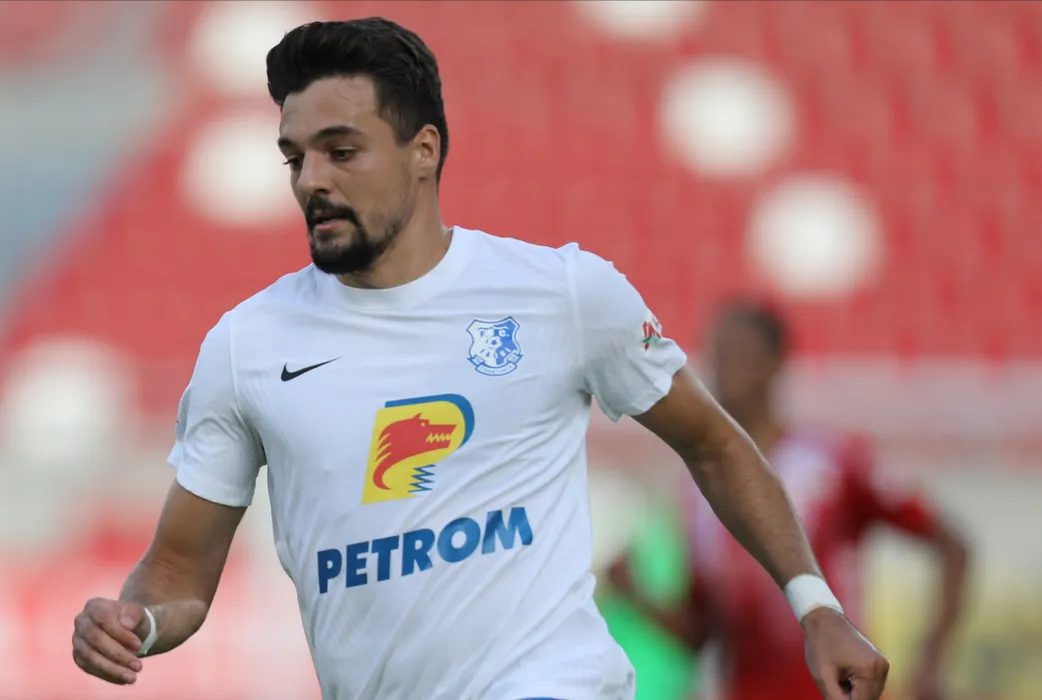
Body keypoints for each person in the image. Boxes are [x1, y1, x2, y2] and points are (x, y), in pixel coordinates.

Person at [71, 18, 891, 700]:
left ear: (423, 150)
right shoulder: (248, 346)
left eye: (341, 151)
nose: (311, 180)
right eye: (296, 157)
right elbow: (178, 570)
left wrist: (815, 605)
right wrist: (135, 620)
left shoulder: (564, 293)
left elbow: (712, 444)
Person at [608, 301, 970, 700]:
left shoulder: (832, 462)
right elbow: (703, 633)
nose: (726, 369)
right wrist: (636, 593)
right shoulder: (696, 490)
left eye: (741, 353)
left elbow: (952, 546)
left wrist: (931, 659)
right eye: (719, 354)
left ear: (776, 362)